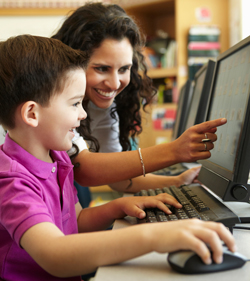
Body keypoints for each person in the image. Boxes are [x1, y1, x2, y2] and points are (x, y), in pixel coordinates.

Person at [0, 35, 235, 280]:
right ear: (32, 114)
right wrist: (155, 237)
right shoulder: (13, 183)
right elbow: (55, 254)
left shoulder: (57, 157)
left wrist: (115, 208)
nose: (82, 114)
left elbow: (76, 222)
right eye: (74, 104)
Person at [52, 2, 226, 194]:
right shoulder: (51, 100)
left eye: (124, 69)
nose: (115, 84)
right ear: (73, 61)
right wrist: (174, 151)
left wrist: (179, 181)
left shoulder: (101, 104)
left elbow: (117, 178)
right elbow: (85, 170)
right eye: (102, 69)